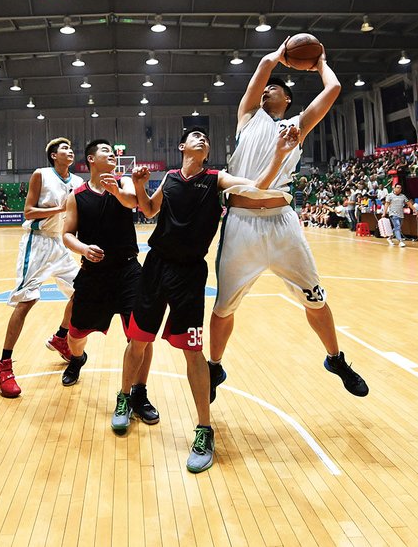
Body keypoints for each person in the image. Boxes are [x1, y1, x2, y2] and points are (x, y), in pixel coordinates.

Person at [127, 125, 298, 473]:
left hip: (189, 274)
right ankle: (128, 398)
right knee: (138, 339)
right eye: (195, 136)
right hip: (156, 266)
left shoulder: (216, 179)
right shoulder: (170, 178)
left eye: (206, 137)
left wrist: (279, 155)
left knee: (193, 351)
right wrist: (141, 186)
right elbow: (147, 211)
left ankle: (204, 428)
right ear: (182, 146)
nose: (203, 138)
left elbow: (256, 186)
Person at [209, 40, 369, 404]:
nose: (267, 89)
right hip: (241, 223)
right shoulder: (248, 116)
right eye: (265, 87)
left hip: (282, 222)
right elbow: (262, 68)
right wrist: (281, 52)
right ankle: (215, 365)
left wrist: (321, 61)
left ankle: (336, 359)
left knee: (315, 298)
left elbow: (334, 89)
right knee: (223, 307)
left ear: (288, 100)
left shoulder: (299, 125)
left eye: (275, 88)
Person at [59, 141, 156, 428]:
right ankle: (77, 359)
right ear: (90, 159)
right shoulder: (76, 195)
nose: (111, 153)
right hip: (93, 274)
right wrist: (83, 248)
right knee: (75, 335)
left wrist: (116, 188)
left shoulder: (124, 182)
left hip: (128, 270)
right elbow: (67, 234)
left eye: (112, 151)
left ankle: (139, 393)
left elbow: (132, 202)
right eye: (104, 150)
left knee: (141, 336)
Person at [0, 138, 83, 398]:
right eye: (64, 148)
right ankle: (3, 366)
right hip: (38, 243)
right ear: (54, 155)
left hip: (61, 244)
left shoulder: (77, 183)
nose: (70, 151)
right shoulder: (41, 175)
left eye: (71, 148)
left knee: (84, 291)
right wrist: (60, 208)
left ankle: (60, 337)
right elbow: (29, 212)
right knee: (26, 302)